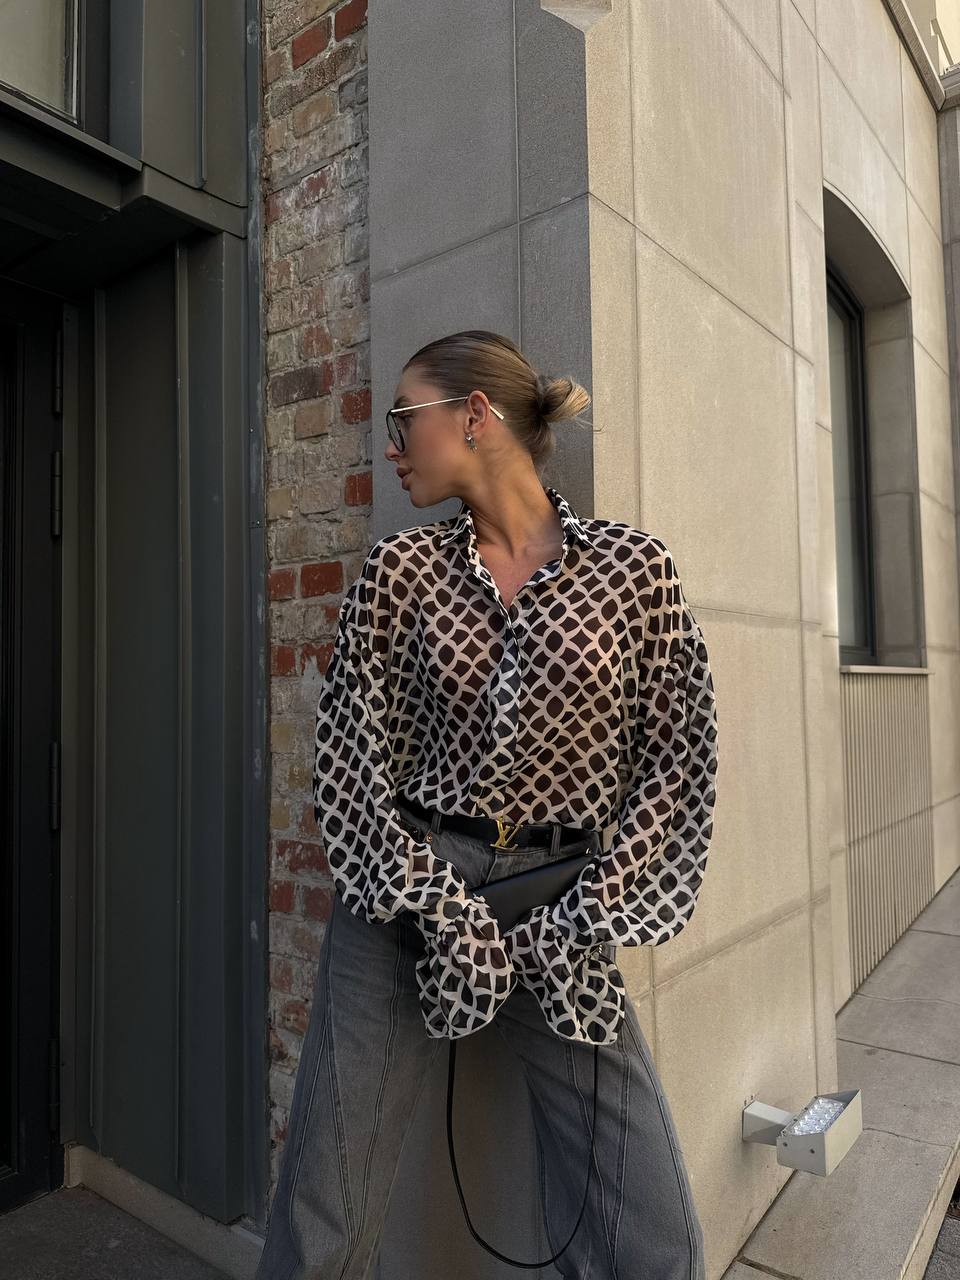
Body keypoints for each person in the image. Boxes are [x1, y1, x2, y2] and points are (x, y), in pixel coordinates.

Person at [255, 329, 719, 1279]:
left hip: (564, 899)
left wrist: (583, 916)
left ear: (474, 417)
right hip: (406, 896)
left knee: (647, 1230)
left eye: (402, 419)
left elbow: (676, 763)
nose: (390, 444)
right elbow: (347, 771)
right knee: (326, 1205)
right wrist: (438, 904)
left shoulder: (634, 572)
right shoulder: (399, 574)